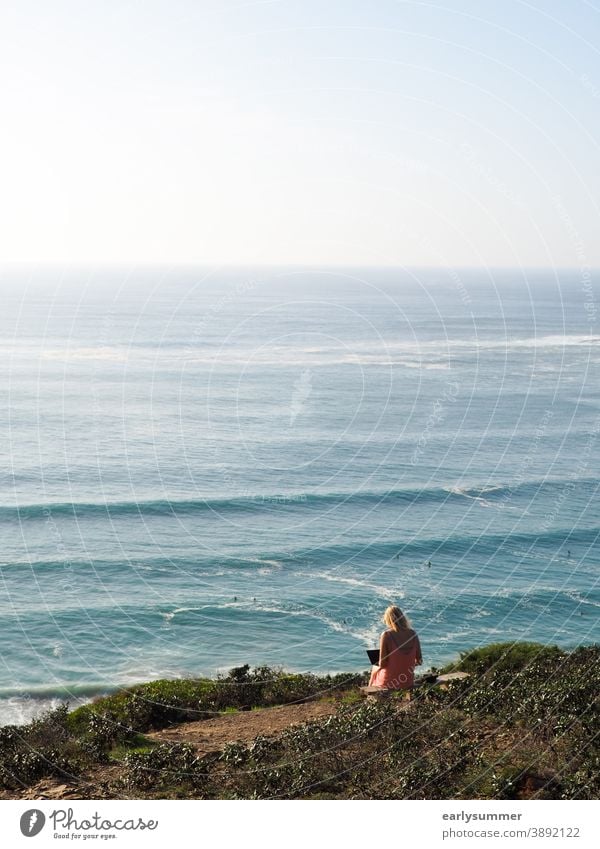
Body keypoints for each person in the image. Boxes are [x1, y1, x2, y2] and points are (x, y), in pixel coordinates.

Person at [369, 605, 422, 690]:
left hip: (389, 682)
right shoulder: (413, 634)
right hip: (407, 681)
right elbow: (419, 661)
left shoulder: (386, 635)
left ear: (388, 619)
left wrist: (377, 667)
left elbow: (382, 664)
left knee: (374, 669)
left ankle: (371, 701)